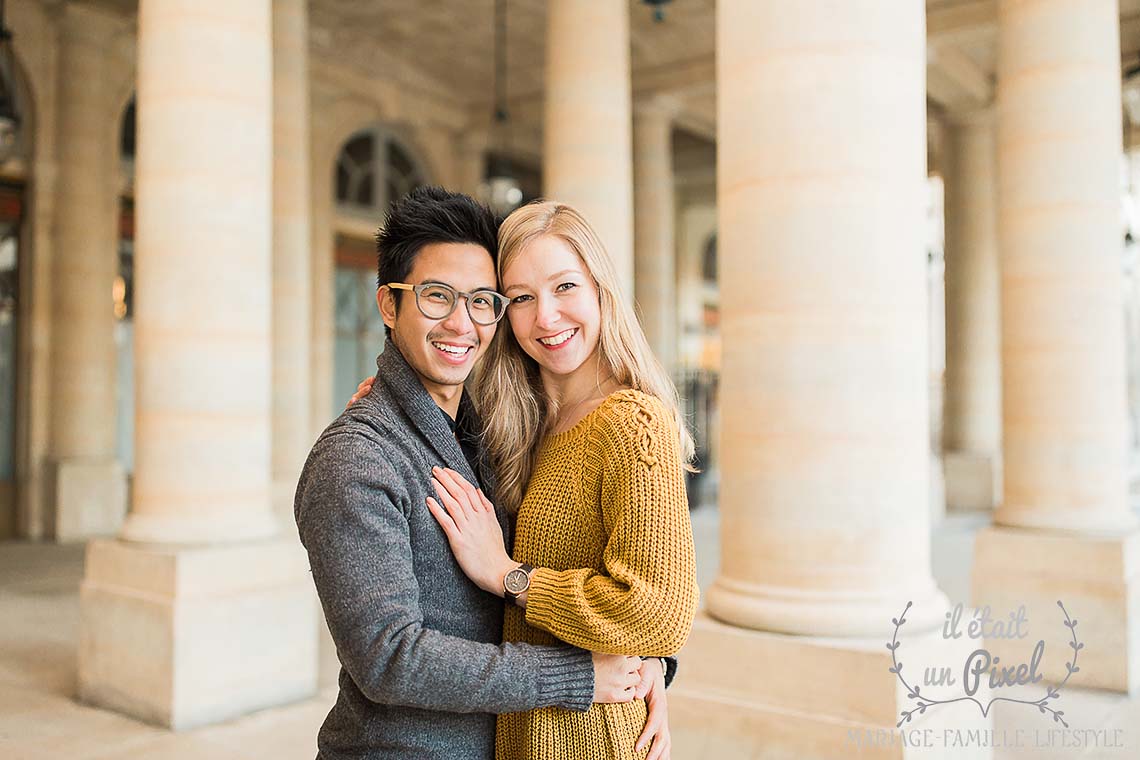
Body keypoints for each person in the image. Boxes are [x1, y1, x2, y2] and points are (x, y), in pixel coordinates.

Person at [295, 187, 667, 760]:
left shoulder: (498, 437)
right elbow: (390, 658)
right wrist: (580, 678)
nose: (460, 323)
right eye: (436, 296)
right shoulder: (355, 458)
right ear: (389, 306)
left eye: (482, 301)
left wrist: (645, 667)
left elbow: (607, 574)